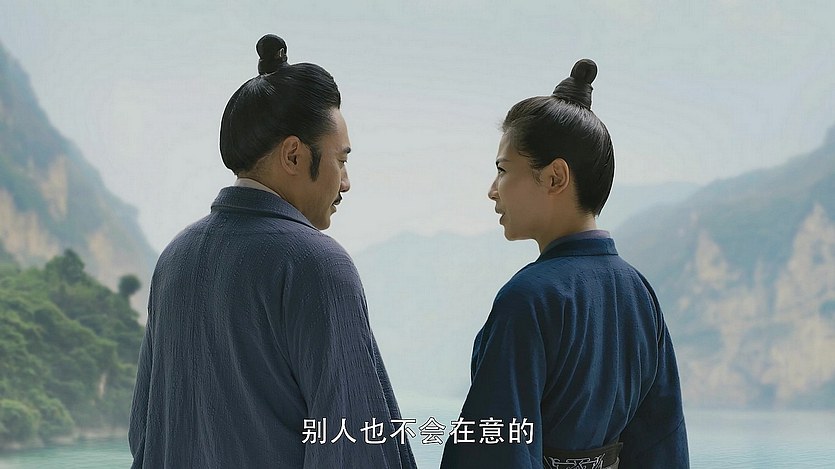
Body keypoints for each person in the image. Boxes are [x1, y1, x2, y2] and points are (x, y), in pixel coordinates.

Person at [129, 34, 416, 469]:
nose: (345, 182)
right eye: (341, 160)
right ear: (294, 155)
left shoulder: (175, 258)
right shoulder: (317, 265)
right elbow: (353, 445)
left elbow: (145, 434)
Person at [440, 59, 689, 469]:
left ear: (555, 176)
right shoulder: (639, 293)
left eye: (503, 170)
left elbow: (497, 447)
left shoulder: (528, 298)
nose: (493, 190)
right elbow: (663, 441)